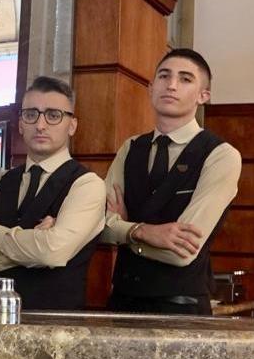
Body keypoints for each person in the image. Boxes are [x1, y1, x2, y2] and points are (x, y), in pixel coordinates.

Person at [103, 48, 241, 315]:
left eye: (185, 79)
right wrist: (142, 232)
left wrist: (124, 231)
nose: (172, 85)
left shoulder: (221, 155)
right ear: (151, 87)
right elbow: (99, 227)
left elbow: (181, 252)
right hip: (120, 303)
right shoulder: (130, 148)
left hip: (182, 308)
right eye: (164, 76)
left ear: (203, 95)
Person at [0, 76, 105, 310]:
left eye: (53, 115)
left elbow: (52, 252)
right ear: (20, 124)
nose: (41, 125)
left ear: (72, 125)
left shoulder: (87, 184)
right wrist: (35, 253)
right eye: (31, 114)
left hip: (56, 323)